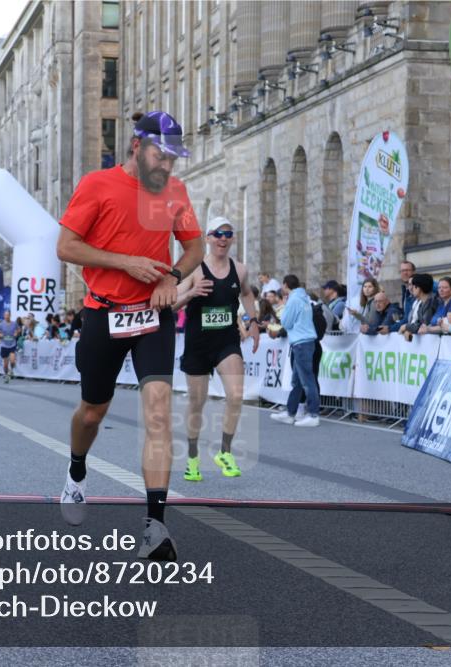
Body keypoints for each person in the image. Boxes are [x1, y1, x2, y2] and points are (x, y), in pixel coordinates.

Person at [55, 109, 204, 561]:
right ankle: (77, 470)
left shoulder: (175, 191)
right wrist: (125, 262)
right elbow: (65, 247)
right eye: (161, 155)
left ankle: (155, 527)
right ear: (137, 147)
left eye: (174, 159)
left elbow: (194, 245)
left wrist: (171, 278)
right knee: (92, 412)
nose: (167, 166)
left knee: (159, 410)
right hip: (104, 313)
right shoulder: (97, 185)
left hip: (152, 315)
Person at [174, 218, 260, 482]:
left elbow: (246, 294)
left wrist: (253, 320)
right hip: (198, 344)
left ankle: (225, 451)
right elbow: (172, 303)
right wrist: (191, 294)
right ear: (208, 238)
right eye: (217, 234)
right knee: (196, 403)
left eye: (228, 234)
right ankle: (191, 457)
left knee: (236, 394)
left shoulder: (240, 269)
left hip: (226, 342)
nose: (223, 239)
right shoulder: (194, 270)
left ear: (233, 238)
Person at [269, 274, 320, 428]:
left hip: (301, 342)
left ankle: (313, 414)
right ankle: (291, 412)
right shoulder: (304, 297)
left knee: (306, 380)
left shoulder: (293, 300)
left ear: (285, 285)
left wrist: (285, 307)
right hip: (306, 341)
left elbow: (286, 321)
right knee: (298, 380)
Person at [396, 273, 440, 339]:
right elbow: (418, 322)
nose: (411, 289)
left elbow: (424, 325)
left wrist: (406, 327)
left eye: (414, 286)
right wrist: (409, 329)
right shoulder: (422, 303)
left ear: (419, 288)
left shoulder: (431, 302)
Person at [0, 310, 21, 382]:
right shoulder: (1, 324)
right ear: (4, 316)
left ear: (10, 316)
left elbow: (19, 329)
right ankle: (6, 375)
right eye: (5, 315)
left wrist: (16, 332)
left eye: (8, 315)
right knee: (5, 365)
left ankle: (11, 370)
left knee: (12, 361)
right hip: (4, 345)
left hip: (12, 344)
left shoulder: (14, 323)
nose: (6, 317)